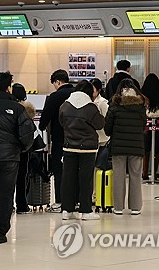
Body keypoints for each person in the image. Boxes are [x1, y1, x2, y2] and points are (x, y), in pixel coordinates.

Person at [0, 72, 35, 244]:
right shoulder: (18, 108)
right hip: (10, 157)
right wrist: (21, 149)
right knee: (5, 195)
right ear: (8, 87)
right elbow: (27, 134)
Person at [59, 80, 105, 221]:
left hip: (69, 146)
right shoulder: (90, 107)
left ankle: (67, 210)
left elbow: (62, 122)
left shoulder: (65, 105)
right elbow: (99, 124)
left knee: (68, 178)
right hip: (87, 149)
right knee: (85, 179)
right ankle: (85, 210)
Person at [104, 78, 147, 215]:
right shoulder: (140, 106)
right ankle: (135, 207)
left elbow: (107, 129)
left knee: (118, 175)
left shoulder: (115, 106)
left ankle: (118, 207)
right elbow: (143, 126)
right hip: (136, 145)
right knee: (135, 176)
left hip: (118, 146)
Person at [39, 69, 74, 212]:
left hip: (60, 139)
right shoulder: (79, 93)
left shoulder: (55, 96)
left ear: (58, 82)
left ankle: (60, 201)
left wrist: (42, 126)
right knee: (75, 170)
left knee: (59, 170)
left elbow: (44, 119)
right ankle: (76, 200)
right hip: (79, 139)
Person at [11, 83, 36, 214]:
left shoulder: (9, 107)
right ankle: (21, 204)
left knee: (7, 179)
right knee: (22, 177)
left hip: (9, 148)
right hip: (24, 149)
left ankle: (7, 205)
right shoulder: (27, 109)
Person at [141, 73, 159, 181]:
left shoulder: (142, 95)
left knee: (145, 149)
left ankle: (145, 172)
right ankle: (155, 172)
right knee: (157, 149)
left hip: (146, 124)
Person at [90, 78, 109, 200]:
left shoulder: (102, 103)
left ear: (98, 90)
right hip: (93, 140)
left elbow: (106, 120)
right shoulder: (89, 102)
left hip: (102, 140)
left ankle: (96, 195)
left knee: (98, 168)